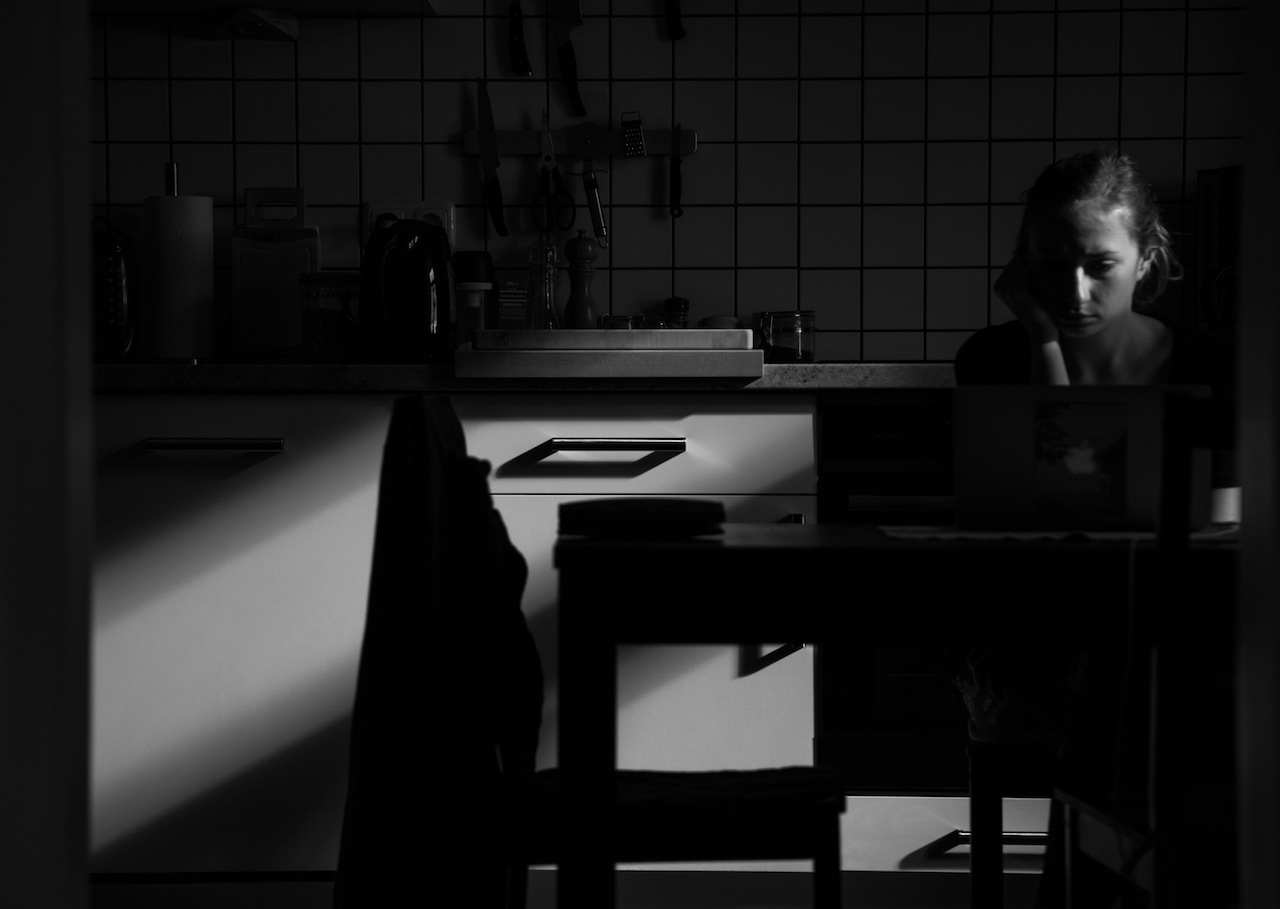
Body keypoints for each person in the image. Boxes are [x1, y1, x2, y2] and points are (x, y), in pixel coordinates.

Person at [951, 149, 1238, 908]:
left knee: (1143, 659)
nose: (1075, 291)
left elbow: (1227, 519)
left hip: (1165, 631)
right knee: (1131, 673)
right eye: (1051, 264)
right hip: (1036, 635)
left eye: (1100, 265)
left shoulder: (1209, 363)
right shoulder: (993, 358)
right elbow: (1049, 489)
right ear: (1023, 267)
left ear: (1147, 260)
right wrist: (1043, 341)